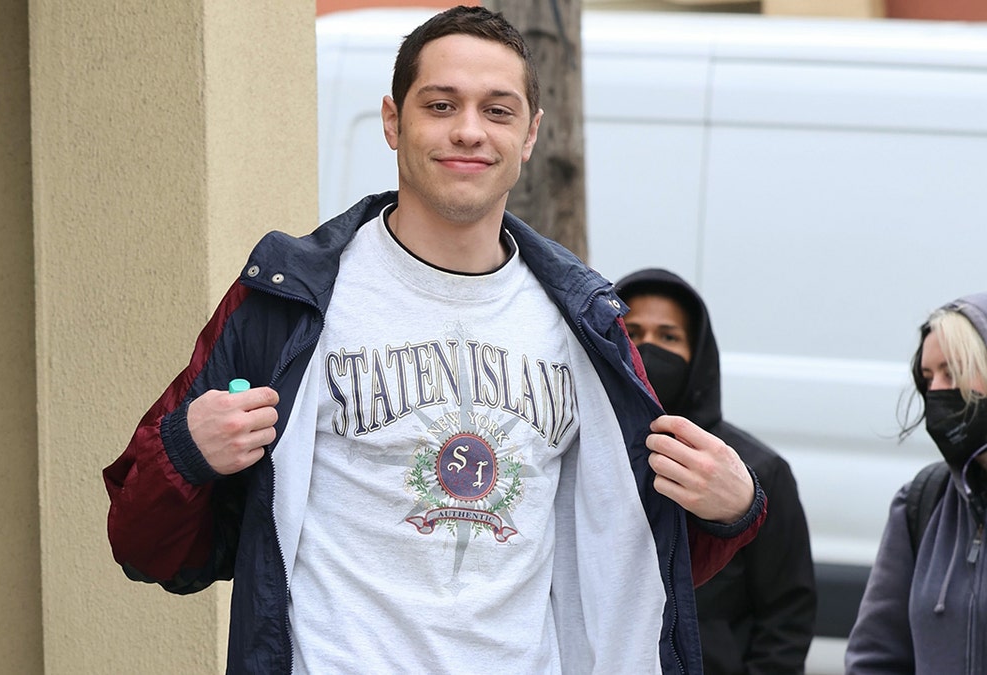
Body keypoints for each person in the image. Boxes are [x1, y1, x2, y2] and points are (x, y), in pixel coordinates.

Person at [104, 7, 765, 673]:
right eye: (442, 104)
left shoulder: (583, 323)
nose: (469, 131)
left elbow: (635, 563)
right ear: (393, 121)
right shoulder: (292, 298)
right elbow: (144, 545)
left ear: (532, 134)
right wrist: (187, 451)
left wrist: (734, 509)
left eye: (498, 111)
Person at [615, 268, 817, 675]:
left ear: (699, 354)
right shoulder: (581, 450)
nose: (648, 348)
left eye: (669, 336)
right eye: (632, 333)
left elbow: (786, 618)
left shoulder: (758, 471)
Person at [845, 292, 987, 673]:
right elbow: (875, 656)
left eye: (952, 371)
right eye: (928, 377)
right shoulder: (922, 501)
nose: (937, 390)